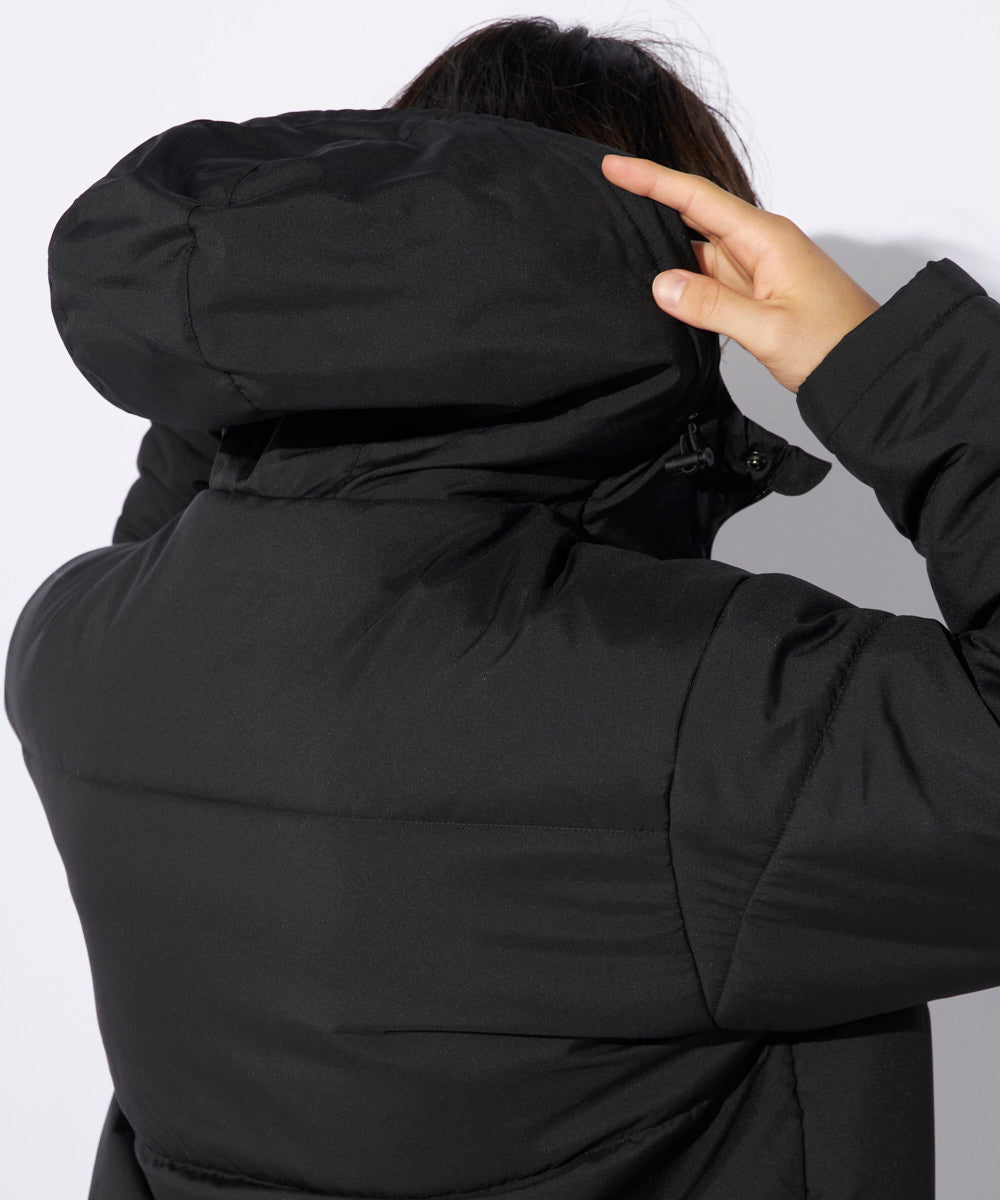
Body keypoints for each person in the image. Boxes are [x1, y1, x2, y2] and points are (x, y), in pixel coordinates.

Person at [5, 15, 998, 1200]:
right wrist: (881, 362)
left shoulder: (76, 650)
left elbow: (200, 512)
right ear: (671, 278)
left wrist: (268, 326)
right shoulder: (704, 724)